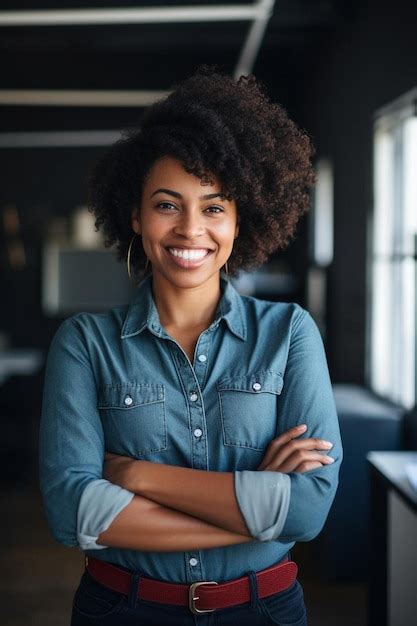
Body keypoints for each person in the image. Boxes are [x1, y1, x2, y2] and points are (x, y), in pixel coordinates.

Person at [39, 66, 343, 626]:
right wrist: (258, 510)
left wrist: (136, 478)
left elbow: (309, 506)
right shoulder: (84, 344)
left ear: (237, 221)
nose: (190, 229)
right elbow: (72, 511)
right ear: (135, 215)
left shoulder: (290, 333)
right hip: (121, 611)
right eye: (167, 204)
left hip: (264, 611)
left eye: (213, 206)